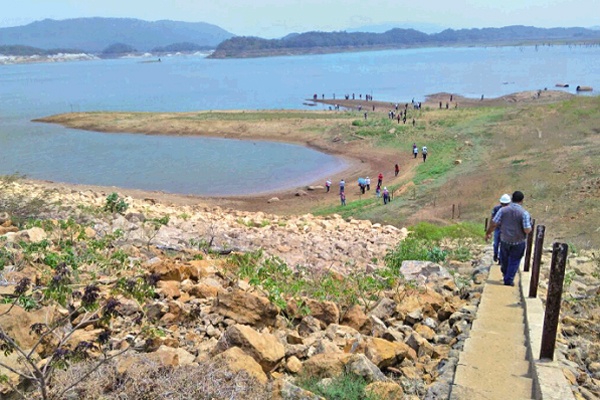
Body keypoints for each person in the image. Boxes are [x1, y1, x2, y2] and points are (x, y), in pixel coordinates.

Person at [485, 191, 532, 286]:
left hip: (505, 240)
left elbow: (494, 223)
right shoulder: (524, 213)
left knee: (504, 259)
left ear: (512, 199)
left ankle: (505, 273)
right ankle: (509, 279)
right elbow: (527, 230)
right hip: (518, 241)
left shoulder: (502, 211)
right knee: (515, 260)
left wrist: (488, 233)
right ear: (522, 201)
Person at [491, 194, 512, 263]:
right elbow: (492, 219)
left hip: (505, 230)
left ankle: (501, 258)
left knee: (503, 244)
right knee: (496, 243)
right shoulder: (496, 209)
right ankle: (495, 254)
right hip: (497, 228)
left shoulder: (511, 210)